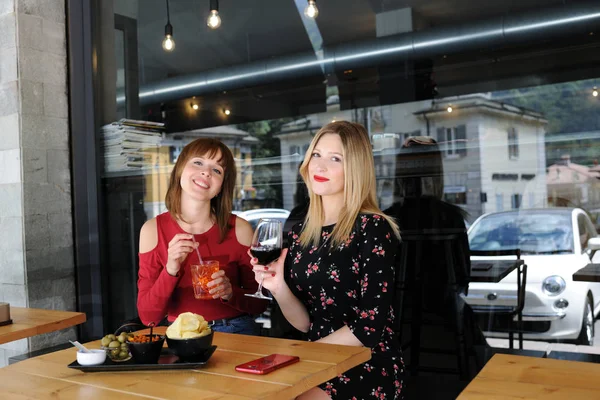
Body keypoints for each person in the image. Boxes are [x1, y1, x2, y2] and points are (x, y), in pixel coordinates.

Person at [251, 121, 404, 399]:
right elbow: (306, 323)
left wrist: (307, 356)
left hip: (365, 363)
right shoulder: (301, 231)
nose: (319, 166)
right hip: (318, 361)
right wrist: (278, 288)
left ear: (355, 169)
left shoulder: (373, 227)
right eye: (316, 155)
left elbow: (369, 327)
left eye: (335, 159)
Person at [137, 138, 267, 335]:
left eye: (217, 170)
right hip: (181, 334)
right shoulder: (151, 230)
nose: (206, 172)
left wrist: (231, 293)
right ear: (180, 168)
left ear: (221, 186)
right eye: (198, 162)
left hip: (236, 330)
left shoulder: (240, 228)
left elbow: (260, 305)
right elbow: (148, 317)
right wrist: (171, 269)